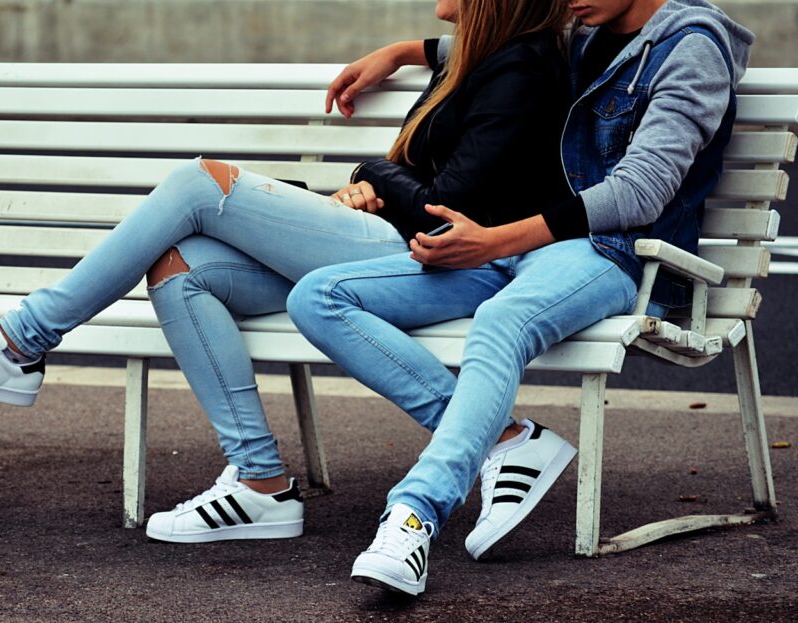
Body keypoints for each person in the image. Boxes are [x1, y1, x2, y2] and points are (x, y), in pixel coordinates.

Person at [0, 0, 573, 545]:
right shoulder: (488, 54)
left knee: (199, 183)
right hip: (386, 243)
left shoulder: (523, 69)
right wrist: (401, 51)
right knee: (181, 268)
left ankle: (19, 340)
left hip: (429, 259)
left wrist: (370, 175)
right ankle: (262, 484)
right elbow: (471, 55)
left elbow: (444, 209)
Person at [287, 0, 751, 597]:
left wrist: (493, 241)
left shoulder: (691, 49)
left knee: (500, 321)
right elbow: (500, 48)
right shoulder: (586, 32)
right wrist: (403, 52)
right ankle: (508, 440)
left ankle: (413, 516)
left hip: (618, 256)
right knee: (320, 296)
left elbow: (641, 191)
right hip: (521, 248)